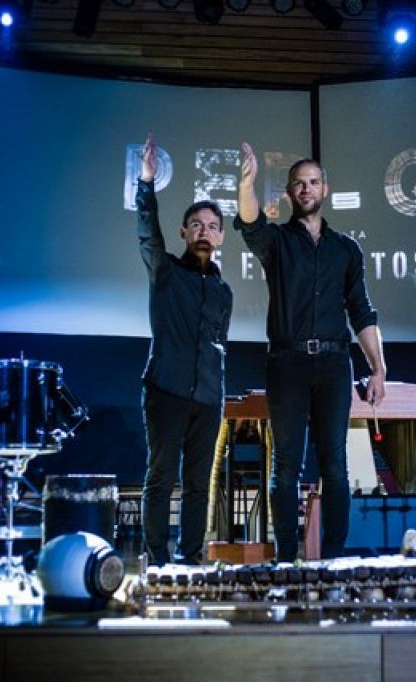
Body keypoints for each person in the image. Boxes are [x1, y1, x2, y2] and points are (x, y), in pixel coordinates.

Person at [235, 142, 386, 562]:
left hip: (335, 363)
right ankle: (286, 559)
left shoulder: (346, 249)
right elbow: (250, 222)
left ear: (325, 190)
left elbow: (361, 310)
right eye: (299, 183)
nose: (307, 189)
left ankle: (333, 559)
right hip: (287, 362)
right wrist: (246, 184)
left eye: (314, 182)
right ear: (288, 192)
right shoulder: (277, 242)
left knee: (335, 465)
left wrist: (378, 369)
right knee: (286, 466)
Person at [136, 133, 233, 565]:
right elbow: (147, 233)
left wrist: (216, 393)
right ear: (184, 232)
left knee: (198, 485)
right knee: (160, 478)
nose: (203, 231)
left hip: (209, 398)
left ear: (221, 237)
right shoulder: (166, 272)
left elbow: (218, 343)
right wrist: (146, 183)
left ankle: (191, 560)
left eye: (211, 226)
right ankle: (157, 561)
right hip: (166, 390)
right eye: (196, 225)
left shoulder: (224, 291)